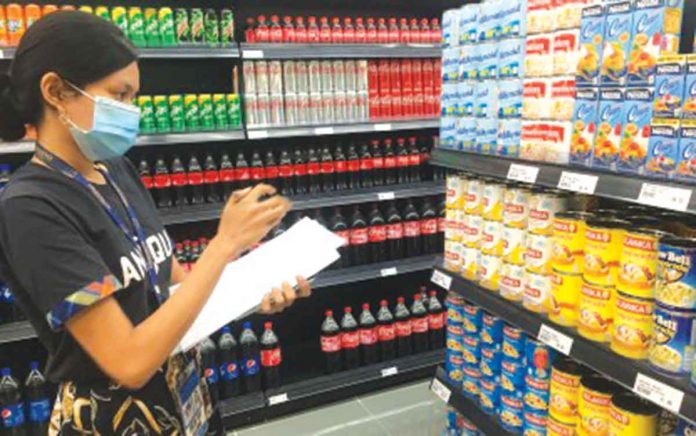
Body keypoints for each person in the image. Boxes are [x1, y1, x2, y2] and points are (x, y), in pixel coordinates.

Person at [0, 11, 311, 435]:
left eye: (134, 96)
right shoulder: (31, 207)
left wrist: (255, 291)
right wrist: (224, 245)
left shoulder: (116, 171)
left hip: (183, 399)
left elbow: (172, 285)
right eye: (119, 95)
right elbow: (129, 361)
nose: (131, 111)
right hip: (114, 420)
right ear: (55, 91)